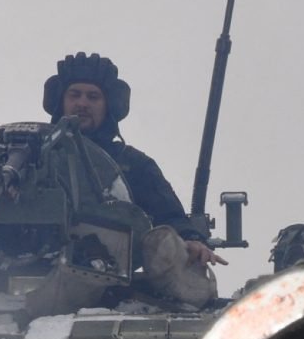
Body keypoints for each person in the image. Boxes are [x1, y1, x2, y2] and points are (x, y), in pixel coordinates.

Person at [40, 52, 226, 307]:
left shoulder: (133, 165)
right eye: (74, 94)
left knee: (164, 241)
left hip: (113, 278)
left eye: (93, 96)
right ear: (60, 101)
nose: (82, 103)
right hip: (45, 278)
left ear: (108, 106)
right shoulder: (32, 159)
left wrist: (191, 239)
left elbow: (169, 214)